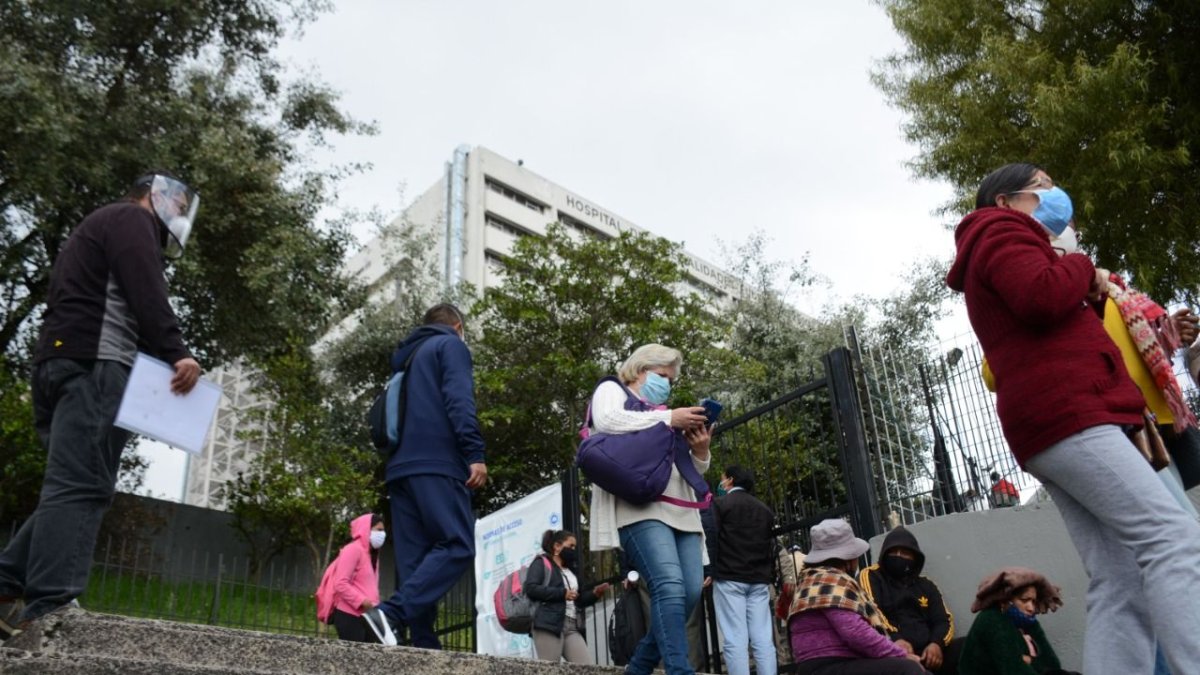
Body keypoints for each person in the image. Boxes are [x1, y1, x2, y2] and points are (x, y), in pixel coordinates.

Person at [945, 162, 1200, 673]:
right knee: (1172, 539)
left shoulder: (1000, 244)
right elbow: (1040, 298)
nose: (1055, 195)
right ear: (1005, 201)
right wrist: (1083, 267)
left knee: (1121, 577)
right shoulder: (999, 231)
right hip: (1072, 416)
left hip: (1056, 424)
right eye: (1042, 189)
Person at [0, 172, 201, 639]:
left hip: (61, 364)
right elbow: (146, 287)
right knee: (80, 485)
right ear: (157, 195)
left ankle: (7, 580)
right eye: (177, 204)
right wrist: (176, 350)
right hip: (94, 365)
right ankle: (49, 607)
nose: (177, 215)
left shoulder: (96, 225)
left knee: (77, 483)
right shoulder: (132, 219)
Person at [362, 303, 487, 649]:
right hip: (437, 463)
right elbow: (459, 400)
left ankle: (423, 644)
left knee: (415, 564)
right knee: (458, 543)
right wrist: (474, 454)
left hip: (400, 470)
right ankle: (390, 614)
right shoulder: (451, 346)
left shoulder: (407, 359)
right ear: (458, 326)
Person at [587, 343, 712, 675]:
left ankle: (639, 668)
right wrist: (668, 417)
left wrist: (700, 451)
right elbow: (607, 420)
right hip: (640, 507)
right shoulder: (611, 390)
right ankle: (678, 669)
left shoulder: (663, 414)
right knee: (668, 586)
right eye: (662, 376)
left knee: (687, 593)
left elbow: (689, 471)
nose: (667, 385)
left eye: (671, 379)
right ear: (640, 369)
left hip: (683, 510)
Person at [785, 519, 926, 675]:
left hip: (822, 665)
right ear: (849, 559)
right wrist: (901, 655)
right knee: (908, 669)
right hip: (828, 666)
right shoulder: (830, 582)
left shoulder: (812, 581)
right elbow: (856, 633)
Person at [858, 527, 957, 673]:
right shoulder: (871, 576)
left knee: (972, 647)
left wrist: (937, 644)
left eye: (905, 553)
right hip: (892, 653)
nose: (898, 556)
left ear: (915, 558)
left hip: (929, 653)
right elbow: (872, 612)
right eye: (893, 552)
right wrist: (895, 639)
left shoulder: (926, 585)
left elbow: (943, 620)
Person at [713, 465, 778, 675]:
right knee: (763, 639)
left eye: (723, 478)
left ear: (729, 480)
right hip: (758, 579)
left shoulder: (721, 505)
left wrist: (709, 570)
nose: (721, 482)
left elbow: (712, 540)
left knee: (735, 639)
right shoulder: (764, 510)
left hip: (729, 577)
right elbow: (771, 545)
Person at [958, 567, 1078, 675]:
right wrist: (1033, 663)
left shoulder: (1028, 622)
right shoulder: (991, 619)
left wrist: (1030, 660)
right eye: (1024, 600)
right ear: (1004, 600)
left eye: (1033, 602)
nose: (1031, 608)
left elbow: (1052, 665)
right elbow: (1014, 670)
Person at [524, 529, 610, 663]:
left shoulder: (572, 571)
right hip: (548, 625)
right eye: (571, 546)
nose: (573, 549)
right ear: (557, 546)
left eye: (575, 547)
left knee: (586, 669)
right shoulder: (542, 563)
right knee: (551, 670)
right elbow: (531, 588)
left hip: (572, 626)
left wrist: (595, 594)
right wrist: (562, 593)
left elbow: (579, 600)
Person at [318, 513, 386, 642]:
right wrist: (362, 601)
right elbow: (340, 583)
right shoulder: (353, 550)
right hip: (349, 615)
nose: (383, 534)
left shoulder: (372, 555)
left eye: (383, 531)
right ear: (366, 529)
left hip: (368, 615)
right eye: (379, 530)